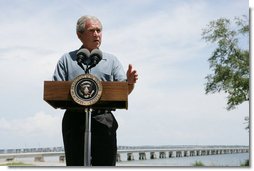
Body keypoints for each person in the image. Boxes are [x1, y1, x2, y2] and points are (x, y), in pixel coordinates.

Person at [52, 15, 138, 166]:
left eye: (99, 30)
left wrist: (129, 83)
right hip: (74, 120)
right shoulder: (66, 60)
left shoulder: (112, 60)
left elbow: (124, 91)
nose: (96, 34)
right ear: (79, 34)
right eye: (92, 30)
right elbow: (54, 90)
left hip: (103, 119)